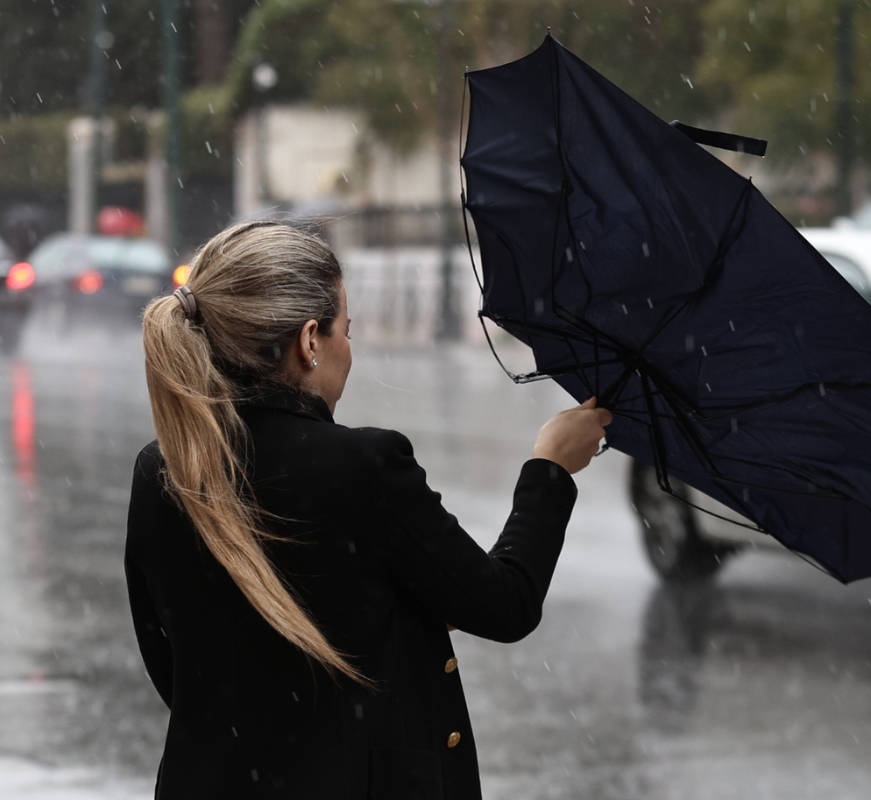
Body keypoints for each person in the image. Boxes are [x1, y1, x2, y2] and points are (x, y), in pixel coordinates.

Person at [125, 221, 612, 799]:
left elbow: (176, 663)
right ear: (310, 341)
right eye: (345, 332)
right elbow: (504, 605)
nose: (348, 353)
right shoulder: (362, 463)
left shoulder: (163, 467)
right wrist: (550, 471)